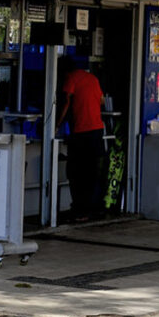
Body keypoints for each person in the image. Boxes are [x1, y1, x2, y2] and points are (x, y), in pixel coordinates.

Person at [56, 55, 106, 221]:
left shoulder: (70, 79)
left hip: (81, 132)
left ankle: (80, 210)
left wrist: (56, 124)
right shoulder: (92, 78)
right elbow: (101, 100)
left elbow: (66, 103)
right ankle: (94, 209)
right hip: (97, 130)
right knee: (93, 172)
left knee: (76, 172)